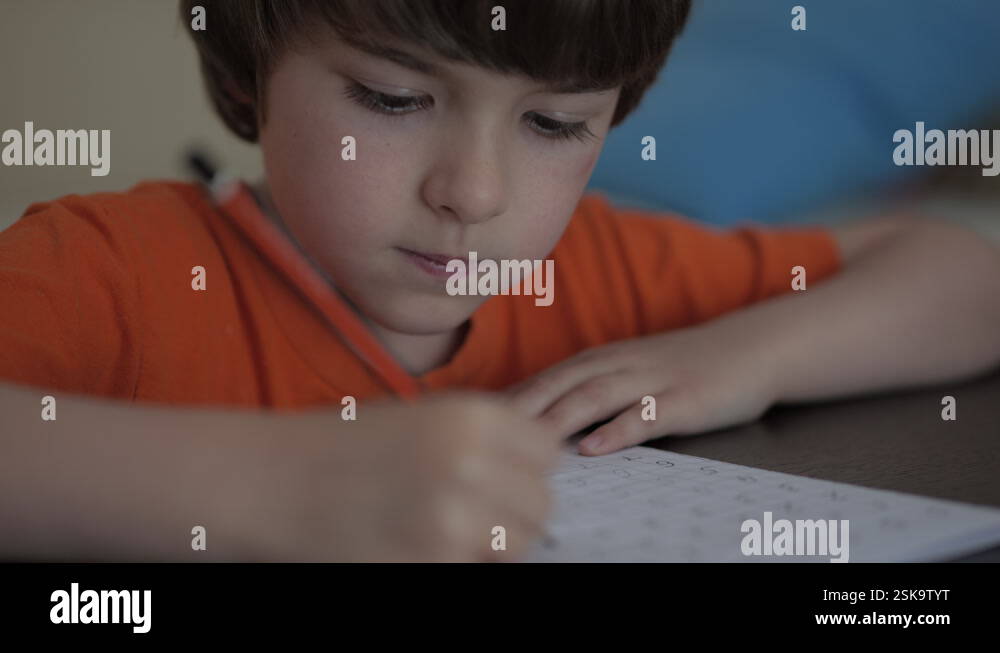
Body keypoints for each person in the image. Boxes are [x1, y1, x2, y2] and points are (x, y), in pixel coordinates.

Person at [1, 0, 998, 562]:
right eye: (393, 99)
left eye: (555, 123)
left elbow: (968, 277)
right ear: (245, 73)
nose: (472, 192)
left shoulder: (603, 271)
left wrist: (734, 358)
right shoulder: (109, 272)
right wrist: (274, 485)